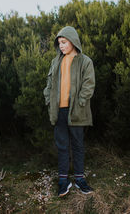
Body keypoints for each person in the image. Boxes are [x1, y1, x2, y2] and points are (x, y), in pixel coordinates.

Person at [43, 26, 95, 197]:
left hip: (77, 111)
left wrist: (80, 102)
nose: (62, 46)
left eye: (64, 42)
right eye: (59, 43)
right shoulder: (55, 61)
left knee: (78, 146)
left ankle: (80, 179)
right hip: (59, 111)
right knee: (62, 146)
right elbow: (49, 84)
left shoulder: (85, 61)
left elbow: (89, 84)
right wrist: (48, 99)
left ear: (73, 41)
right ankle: (63, 181)